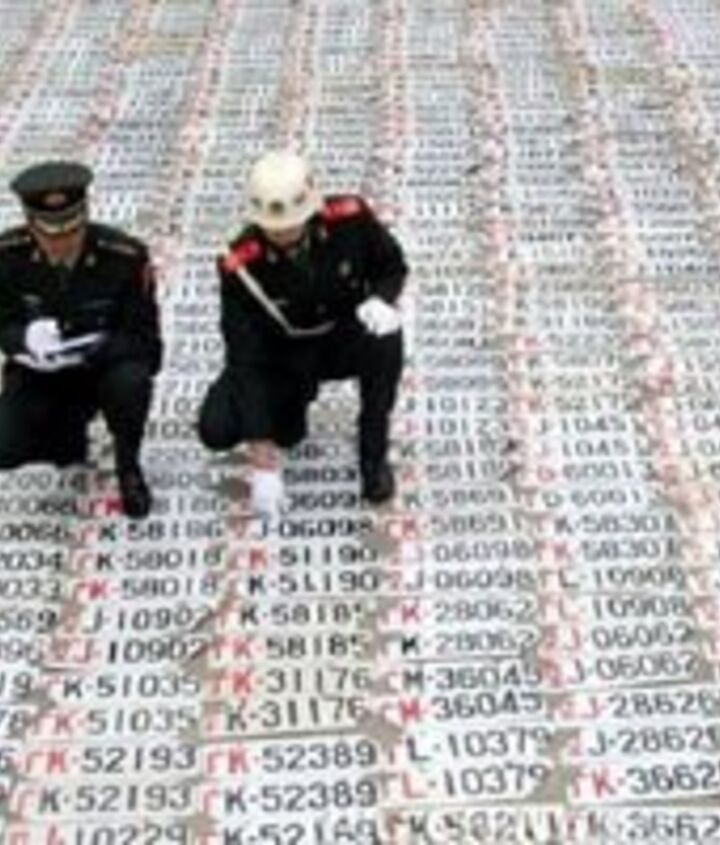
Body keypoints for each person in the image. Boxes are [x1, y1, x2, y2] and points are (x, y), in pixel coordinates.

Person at [198, 150, 407, 517]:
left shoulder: (350, 219)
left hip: (341, 338)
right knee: (217, 428)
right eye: (273, 227)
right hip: (282, 354)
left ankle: (373, 455)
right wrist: (261, 454)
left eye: (292, 223)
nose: (283, 233)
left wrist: (381, 299)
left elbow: (392, 265)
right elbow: (245, 355)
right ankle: (293, 404)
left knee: (386, 338)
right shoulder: (240, 264)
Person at [0, 161, 162, 518]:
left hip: (101, 371)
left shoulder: (124, 257)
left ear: (85, 218)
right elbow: (4, 324)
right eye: (49, 235)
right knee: (8, 447)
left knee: (132, 382)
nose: (61, 243)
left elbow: (147, 345)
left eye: (71, 232)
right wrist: (24, 339)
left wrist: (97, 348)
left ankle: (128, 466)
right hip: (41, 373)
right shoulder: (7, 257)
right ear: (31, 225)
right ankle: (65, 436)